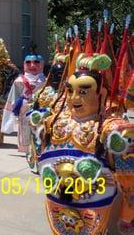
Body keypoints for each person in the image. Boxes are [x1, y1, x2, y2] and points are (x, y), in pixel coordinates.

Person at [36, 53, 134, 235]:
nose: (74, 98)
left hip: (98, 206)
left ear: (101, 93)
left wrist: (127, 215)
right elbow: (40, 160)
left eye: (83, 92)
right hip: (60, 204)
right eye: (70, 90)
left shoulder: (112, 129)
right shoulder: (53, 122)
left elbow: (130, 182)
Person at [1, 53, 46, 152]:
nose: (32, 65)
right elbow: (12, 98)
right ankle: (26, 148)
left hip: (41, 111)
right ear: (24, 64)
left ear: (42, 64)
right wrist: (11, 116)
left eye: (36, 62)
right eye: (28, 62)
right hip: (24, 111)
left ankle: (39, 148)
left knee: (40, 130)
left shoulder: (45, 80)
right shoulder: (19, 81)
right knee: (25, 129)